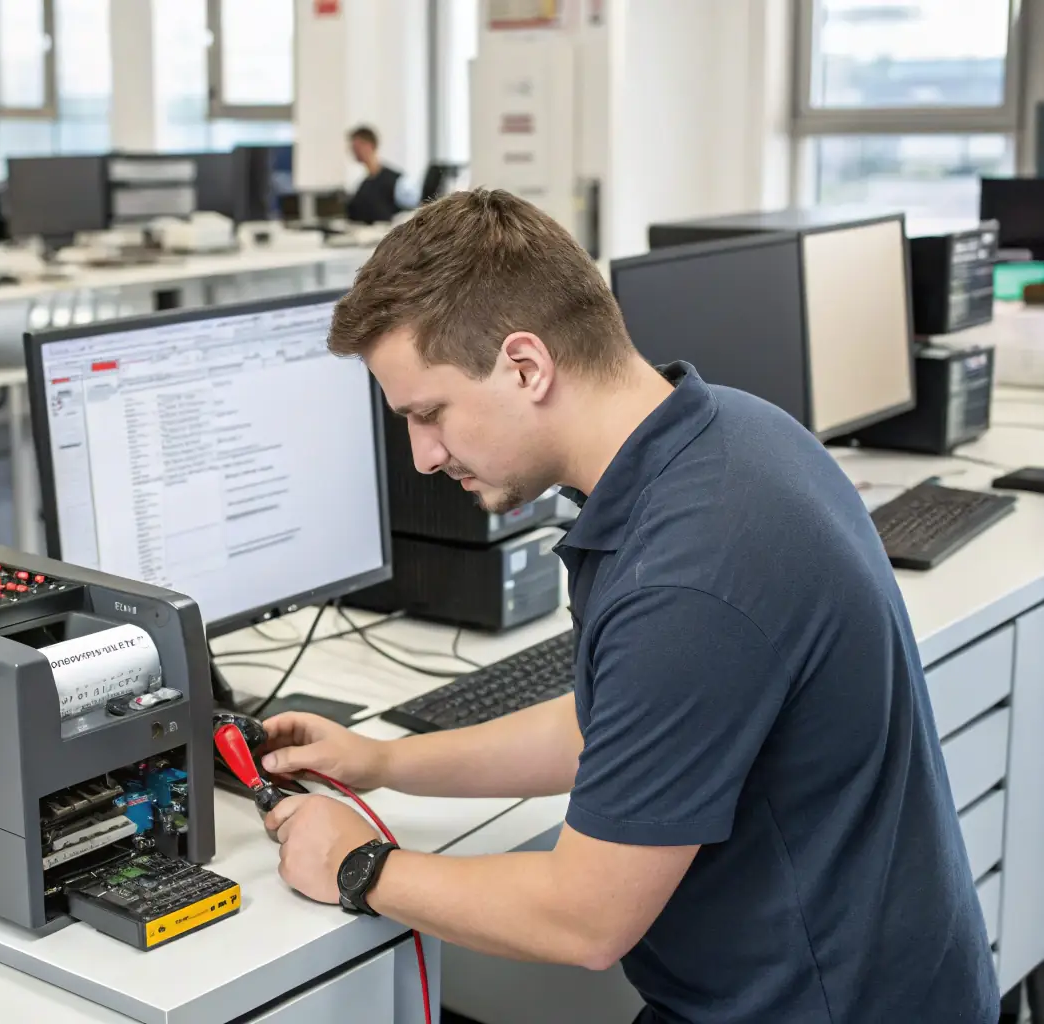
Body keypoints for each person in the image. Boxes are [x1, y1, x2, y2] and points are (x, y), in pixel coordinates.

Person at [259, 189, 997, 1023]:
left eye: (428, 414)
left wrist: (358, 865)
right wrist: (384, 762)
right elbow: (611, 727)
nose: (423, 456)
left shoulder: (684, 575)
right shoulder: (733, 430)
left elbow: (583, 920)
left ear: (526, 366)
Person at [345, 125, 401, 225]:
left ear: (369, 146)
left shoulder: (395, 180)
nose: (353, 152)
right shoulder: (364, 184)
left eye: (356, 147)